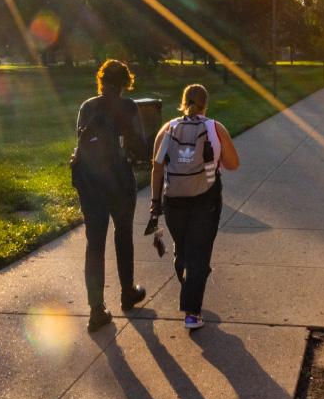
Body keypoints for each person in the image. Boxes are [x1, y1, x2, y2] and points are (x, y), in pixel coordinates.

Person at [150, 83, 239, 330]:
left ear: (182, 101)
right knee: (198, 254)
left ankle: (190, 283)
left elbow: (157, 167)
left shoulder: (167, 129)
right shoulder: (214, 128)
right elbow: (233, 164)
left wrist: (155, 202)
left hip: (173, 200)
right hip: (205, 199)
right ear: (205, 104)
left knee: (183, 249)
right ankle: (192, 313)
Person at [73, 59, 147, 332]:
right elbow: (140, 148)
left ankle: (96, 310)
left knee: (95, 244)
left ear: (101, 81)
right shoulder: (128, 107)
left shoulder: (87, 106)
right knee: (123, 234)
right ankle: (127, 293)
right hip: (119, 182)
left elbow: (80, 143)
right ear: (125, 83)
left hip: (90, 184)